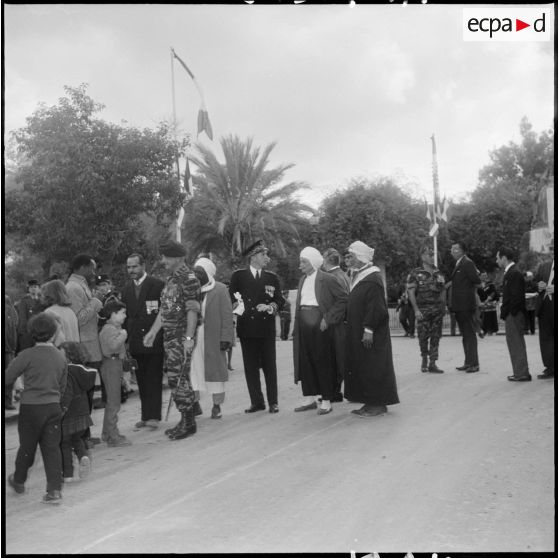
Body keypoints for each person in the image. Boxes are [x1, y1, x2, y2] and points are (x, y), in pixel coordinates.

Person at [5, 313, 67, 504]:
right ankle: (54, 490)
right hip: (53, 407)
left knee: (27, 447)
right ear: (54, 333)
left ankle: (19, 480)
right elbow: (62, 385)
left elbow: (7, 378)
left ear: (32, 333)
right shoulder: (60, 356)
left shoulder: (26, 355)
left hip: (31, 408)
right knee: (51, 449)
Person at [143, 241, 201, 441]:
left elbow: (192, 310)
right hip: (170, 337)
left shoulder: (189, 278)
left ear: (177, 258)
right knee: (176, 377)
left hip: (180, 337)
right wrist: (152, 332)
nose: (163, 261)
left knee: (177, 378)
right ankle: (187, 418)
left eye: (166, 257)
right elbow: (166, 309)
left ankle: (188, 421)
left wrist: (188, 338)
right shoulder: (171, 279)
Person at [344, 241, 399, 417]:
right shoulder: (359, 275)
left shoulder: (372, 278)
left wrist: (369, 329)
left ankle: (378, 404)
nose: (349, 259)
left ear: (360, 258)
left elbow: (376, 308)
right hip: (358, 330)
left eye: (351, 256)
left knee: (373, 366)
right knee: (364, 366)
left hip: (370, 333)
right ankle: (368, 402)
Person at [229, 240, 285, 414]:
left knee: (270, 366)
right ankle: (257, 402)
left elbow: (279, 299)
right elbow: (232, 299)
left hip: (265, 328)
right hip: (247, 328)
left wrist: (270, 307)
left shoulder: (271, 278)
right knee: (250, 367)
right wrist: (240, 310)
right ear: (253, 257)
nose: (266, 258)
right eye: (263, 255)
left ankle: (273, 402)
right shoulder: (238, 276)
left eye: (266, 254)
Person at [292, 247, 348, 415]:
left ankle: (326, 400)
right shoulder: (302, 280)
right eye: (301, 261)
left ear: (313, 263)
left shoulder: (328, 279)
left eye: (304, 262)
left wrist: (328, 318)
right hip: (303, 322)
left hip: (320, 323)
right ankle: (309, 398)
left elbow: (343, 299)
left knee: (323, 361)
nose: (300, 265)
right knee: (306, 361)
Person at [121, 253, 165, 430]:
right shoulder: (125, 290)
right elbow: (125, 317)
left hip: (154, 339)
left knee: (154, 377)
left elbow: (164, 311)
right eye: (129, 267)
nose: (131, 270)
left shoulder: (157, 285)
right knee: (141, 379)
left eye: (134, 266)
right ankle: (145, 415)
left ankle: (154, 416)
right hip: (135, 342)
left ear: (143, 266)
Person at [190, 257, 234, 419]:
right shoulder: (190, 290)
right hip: (193, 339)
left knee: (215, 374)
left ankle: (216, 406)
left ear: (208, 273)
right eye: (194, 272)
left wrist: (226, 338)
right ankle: (195, 403)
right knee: (193, 371)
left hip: (213, 339)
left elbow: (227, 315)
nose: (196, 276)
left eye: (200, 273)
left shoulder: (220, 289)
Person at [66, 254, 105, 416]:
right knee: (84, 393)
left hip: (89, 345)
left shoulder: (81, 285)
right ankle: (83, 435)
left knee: (87, 392)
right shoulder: (73, 288)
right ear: (82, 267)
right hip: (84, 347)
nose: (94, 272)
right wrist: (96, 301)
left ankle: (84, 435)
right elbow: (79, 318)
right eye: (92, 268)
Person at [58, 342, 96, 482]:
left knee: (64, 443)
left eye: (60, 354)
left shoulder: (66, 372)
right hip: (82, 414)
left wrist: (61, 409)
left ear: (68, 356)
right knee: (77, 439)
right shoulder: (83, 371)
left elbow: (66, 394)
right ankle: (83, 456)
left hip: (68, 414)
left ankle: (67, 474)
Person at [407, 245, 446, 373]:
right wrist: (416, 310)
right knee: (423, 337)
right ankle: (424, 357)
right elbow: (411, 292)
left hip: (437, 310)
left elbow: (442, 290)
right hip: (423, 310)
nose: (432, 257)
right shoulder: (416, 273)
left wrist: (443, 306)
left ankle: (432, 363)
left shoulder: (438, 272)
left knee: (436, 336)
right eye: (429, 254)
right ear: (422, 256)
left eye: (433, 254)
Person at [98, 299, 132, 446]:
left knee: (113, 400)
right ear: (113, 314)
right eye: (122, 313)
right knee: (114, 402)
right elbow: (112, 346)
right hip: (111, 364)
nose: (125, 316)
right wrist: (123, 335)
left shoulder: (112, 328)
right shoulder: (110, 329)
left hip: (114, 364)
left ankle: (107, 433)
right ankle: (113, 436)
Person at [496, 247, 531, 382]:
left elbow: (516, 297)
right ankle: (519, 372)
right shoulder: (511, 272)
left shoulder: (514, 273)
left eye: (498, 258)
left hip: (514, 314)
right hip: (513, 314)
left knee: (516, 343)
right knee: (514, 343)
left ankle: (522, 373)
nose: (496, 261)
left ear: (504, 258)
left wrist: (510, 313)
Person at [447, 241, 481, 373]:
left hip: (466, 305)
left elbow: (476, 281)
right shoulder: (459, 263)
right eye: (451, 249)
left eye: (454, 249)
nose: (452, 251)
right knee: (465, 335)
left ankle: (474, 364)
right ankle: (468, 362)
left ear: (461, 251)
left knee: (470, 334)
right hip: (459, 306)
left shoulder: (467, 263)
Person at [321, 247, 350, 401]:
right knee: (340, 359)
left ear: (326, 260)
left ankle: (334, 392)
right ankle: (335, 391)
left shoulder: (330, 277)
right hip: (344, 323)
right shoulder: (344, 275)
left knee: (334, 360)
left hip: (335, 324)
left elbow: (340, 301)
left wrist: (328, 319)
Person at [533, 242, 554, 379]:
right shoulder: (543, 266)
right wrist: (538, 286)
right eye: (551, 248)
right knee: (545, 338)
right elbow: (534, 284)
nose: (552, 251)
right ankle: (550, 368)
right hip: (544, 307)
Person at [41, 279, 80, 347]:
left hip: (59, 354)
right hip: (74, 352)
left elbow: (52, 340)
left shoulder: (49, 313)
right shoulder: (71, 312)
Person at [16, 279, 44, 351]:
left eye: (35, 287)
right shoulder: (24, 301)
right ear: (28, 289)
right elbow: (23, 318)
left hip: (40, 332)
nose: (33, 289)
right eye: (31, 287)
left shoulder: (42, 301)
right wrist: (23, 333)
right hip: (27, 332)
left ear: (39, 288)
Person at [4, 295, 19, 410]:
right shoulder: (12, 310)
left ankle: (7, 401)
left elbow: (15, 326)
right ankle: (7, 401)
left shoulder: (11, 310)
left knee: (8, 376)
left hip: (8, 348)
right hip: (9, 348)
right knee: (8, 376)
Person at [523, 271, 537, 335]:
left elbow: (535, 291)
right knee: (527, 317)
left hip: (531, 303)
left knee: (530, 317)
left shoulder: (533, 283)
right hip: (527, 303)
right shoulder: (524, 283)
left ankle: (531, 330)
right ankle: (527, 329)